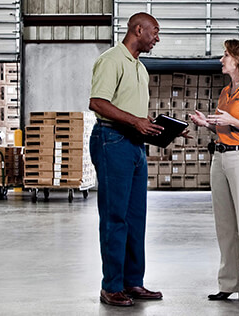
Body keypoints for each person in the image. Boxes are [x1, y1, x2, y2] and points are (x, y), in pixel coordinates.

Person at [88, 12, 165, 307]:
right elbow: (97, 102)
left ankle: (133, 281)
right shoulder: (112, 60)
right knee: (115, 217)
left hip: (135, 145)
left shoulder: (140, 68)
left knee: (135, 218)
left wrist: (163, 130)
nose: (157, 38)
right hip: (112, 141)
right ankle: (111, 286)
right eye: (154, 32)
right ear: (138, 29)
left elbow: (135, 115)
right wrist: (135, 121)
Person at [189, 39, 239, 308]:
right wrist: (207, 124)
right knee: (225, 225)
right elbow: (224, 128)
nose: (221, 59)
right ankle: (230, 284)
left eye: (226, 55)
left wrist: (232, 120)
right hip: (221, 158)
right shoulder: (226, 92)